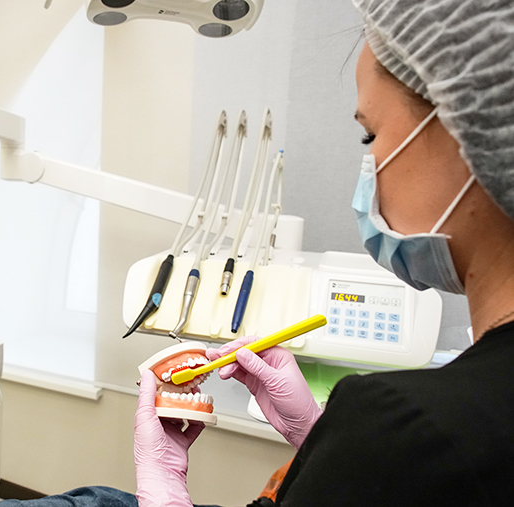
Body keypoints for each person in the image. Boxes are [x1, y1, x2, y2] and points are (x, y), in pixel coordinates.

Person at [134, 0, 514, 505]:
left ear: (476, 139)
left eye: (371, 133)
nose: (369, 164)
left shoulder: (411, 423)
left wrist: (163, 484)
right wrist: (320, 438)